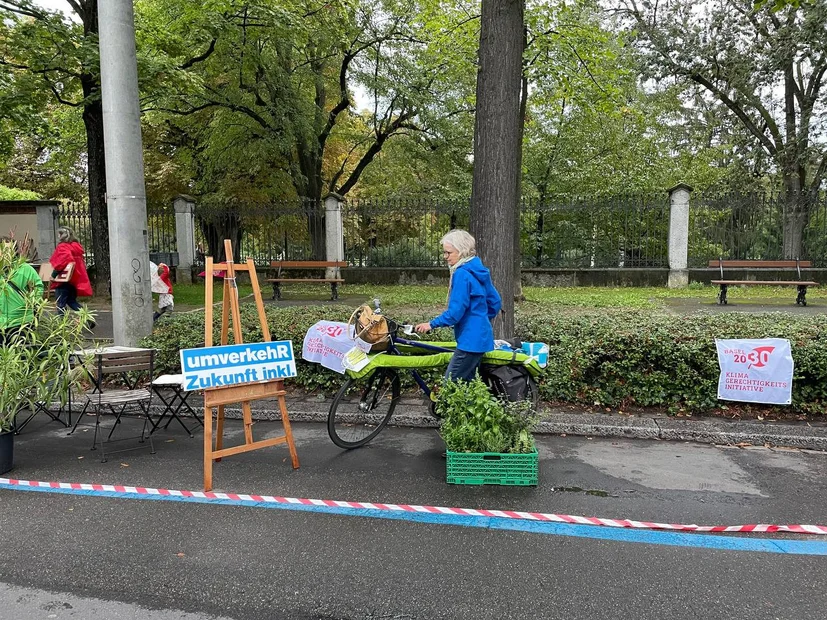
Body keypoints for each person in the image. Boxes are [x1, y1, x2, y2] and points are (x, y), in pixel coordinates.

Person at [415, 229, 502, 381]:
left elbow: (455, 313)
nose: (445, 257)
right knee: (467, 385)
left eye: (448, 253)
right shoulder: (478, 270)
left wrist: (431, 324)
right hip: (480, 337)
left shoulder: (462, 274)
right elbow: (495, 302)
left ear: (461, 251)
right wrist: (479, 319)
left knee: (451, 384)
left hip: (470, 341)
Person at [0, 236, 44, 344]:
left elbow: (38, 287)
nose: (6, 253)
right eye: (3, 249)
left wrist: (31, 302)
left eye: (9, 249)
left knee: (19, 354)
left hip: (20, 321)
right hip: (1, 321)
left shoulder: (25, 268)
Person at [49, 227, 94, 326]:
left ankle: (62, 325)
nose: (58, 236)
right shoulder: (76, 247)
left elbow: (62, 261)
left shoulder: (63, 247)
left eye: (59, 234)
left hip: (63, 279)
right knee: (71, 301)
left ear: (62, 235)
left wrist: (53, 275)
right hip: (74, 279)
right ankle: (88, 318)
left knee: (60, 303)